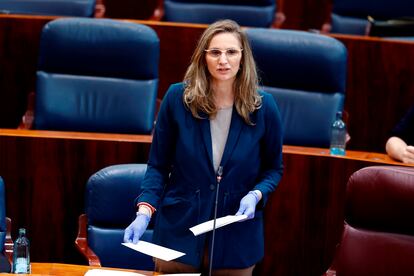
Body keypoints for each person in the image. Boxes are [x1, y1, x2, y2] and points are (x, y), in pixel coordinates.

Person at [123, 19, 283, 275]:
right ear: (203, 57)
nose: (223, 60)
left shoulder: (264, 107)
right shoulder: (177, 99)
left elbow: (273, 169)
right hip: (180, 230)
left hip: (236, 236)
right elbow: (158, 166)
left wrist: (256, 195)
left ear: (243, 58)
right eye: (215, 52)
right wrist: (144, 212)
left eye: (231, 52)